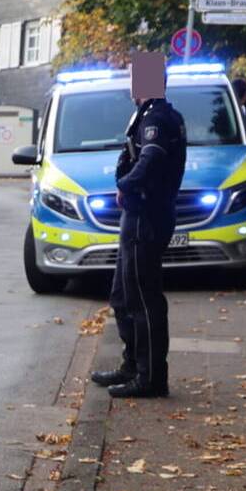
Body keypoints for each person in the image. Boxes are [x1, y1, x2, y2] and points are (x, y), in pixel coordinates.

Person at [92, 51, 185, 399]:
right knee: (122, 295)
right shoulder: (148, 114)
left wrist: (125, 185)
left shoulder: (158, 117)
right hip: (139, 215)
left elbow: (150, 160)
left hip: (147, 215)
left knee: (142, 299)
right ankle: (132, 364)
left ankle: (150, 377)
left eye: (136, 78)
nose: (131, 85)